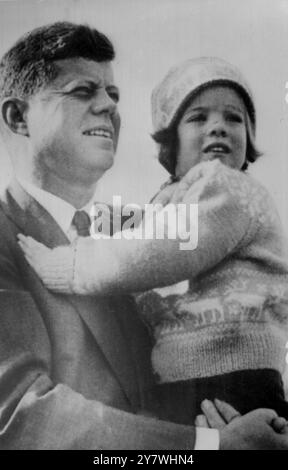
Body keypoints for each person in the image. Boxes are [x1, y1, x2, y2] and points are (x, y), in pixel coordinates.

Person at [1, 21, 287, 450]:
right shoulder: (9, 236)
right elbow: (23, 417)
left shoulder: (134, 242)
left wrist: (266, 433)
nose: (109, 107)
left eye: (113, 94)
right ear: (18, 116)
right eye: (83, 91)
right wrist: (206, 446)